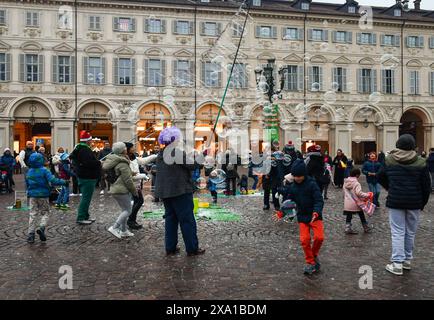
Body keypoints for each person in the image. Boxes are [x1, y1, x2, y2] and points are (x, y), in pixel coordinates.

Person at [377, 134, 431, 276]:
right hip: (414, 202)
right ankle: (407, 260)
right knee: (410, 232)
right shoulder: (421, 162)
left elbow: (380, 176)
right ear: (413, 146)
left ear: (398, 145)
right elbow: (426, 186)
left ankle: (397, 263)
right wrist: (422, 202)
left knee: (397, 231)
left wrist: (390, 188)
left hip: (396, 200)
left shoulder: (389, 160)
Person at [154, 126, 205, 256]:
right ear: (174, 139)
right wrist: (201, 157)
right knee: (187, 220)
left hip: (166, 192)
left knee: (171, 219)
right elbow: (192, 165)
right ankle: (192, 248)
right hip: (180, 190)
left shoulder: (161, 153)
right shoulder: (175, 152)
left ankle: (170, 247)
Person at [277, 159, 324, 275]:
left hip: (314, 216)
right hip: (302, 217)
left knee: (319, 238)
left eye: (300, 176)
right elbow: (289, 202)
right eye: (295, 176)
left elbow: (319, 200)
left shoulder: (312, 184)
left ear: (304, 174)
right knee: (305, 240)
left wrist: (316, 212)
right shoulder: (293, 187)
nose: (297, 178)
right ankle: (310, 262)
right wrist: (282, 212)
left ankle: (313, 255)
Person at [25, 153, 67, 243]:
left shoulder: (29, 171)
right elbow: (52, 180)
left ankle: (30, 235)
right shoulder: (44, 170)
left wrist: (28, 192)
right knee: (45, 213)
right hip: (43, 195)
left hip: (32, 195)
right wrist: (63, 182)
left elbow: (27, 184)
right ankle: (42, 227)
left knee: (32, 214)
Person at [103, 142, 138, 239]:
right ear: (123, 150)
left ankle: (124, 230)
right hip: (122, 190)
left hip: (115, 189)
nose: (126, 149)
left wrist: (132, 173)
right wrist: (134, 191)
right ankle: (114, 227)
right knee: (128, 210)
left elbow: (123, 173)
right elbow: (127, 180)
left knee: (124, 210)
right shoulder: (122, 162)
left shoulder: (114, 160)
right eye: (125, 148)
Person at [69, 131, 101, 225]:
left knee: (86, 197)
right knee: (86, 198)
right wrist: (98, 162)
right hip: (87, 177)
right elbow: (88, 163)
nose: (91, 141)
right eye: (90, 140)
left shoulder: (80, 148)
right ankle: (81, 217)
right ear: (87, 140)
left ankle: (85, 216)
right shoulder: (85, 150)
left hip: (84, 176)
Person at [124, 142, 157, 230]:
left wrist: (155, 156)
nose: (134, 148)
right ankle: (130, 220)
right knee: (139, 201)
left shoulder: (133, 158)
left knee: (137, 201)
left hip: (136, 185)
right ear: (128, 149)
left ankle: (132, 220)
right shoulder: (126, 159)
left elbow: (144, 161)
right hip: (131, 185)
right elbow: (131, 175)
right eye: (132, 147)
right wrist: (143, 176)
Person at [343, 168, 373, 234]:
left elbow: (344, 192)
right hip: (356, 202)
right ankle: (366, 227)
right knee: (361, 214)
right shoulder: (356, 183)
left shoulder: (345, 182)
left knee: (349, 215)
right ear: (357, 175)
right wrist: (367, 195)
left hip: (348, 203)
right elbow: (359, 193)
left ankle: (347, 228)